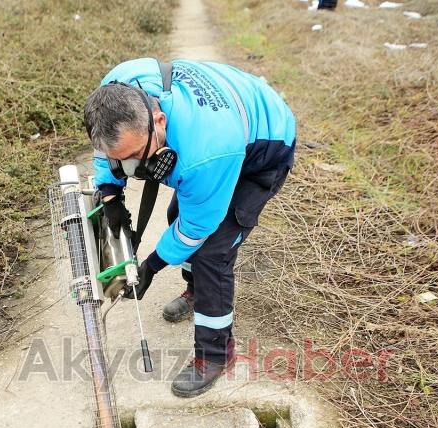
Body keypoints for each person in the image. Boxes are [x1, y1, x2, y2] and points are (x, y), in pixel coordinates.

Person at [83, 58, 295, 397]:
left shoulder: (206, 152)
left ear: (159, 121)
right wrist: (110, 193)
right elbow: (103, 151)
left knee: (213, 251)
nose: (133, 168)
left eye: (136, 155)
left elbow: (197, 228)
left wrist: (152, 265)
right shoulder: (115, 90)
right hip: (228, 122)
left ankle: (215, 354)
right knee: (175, 214)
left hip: (265, 147)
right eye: (120, 160)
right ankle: (196, 292)